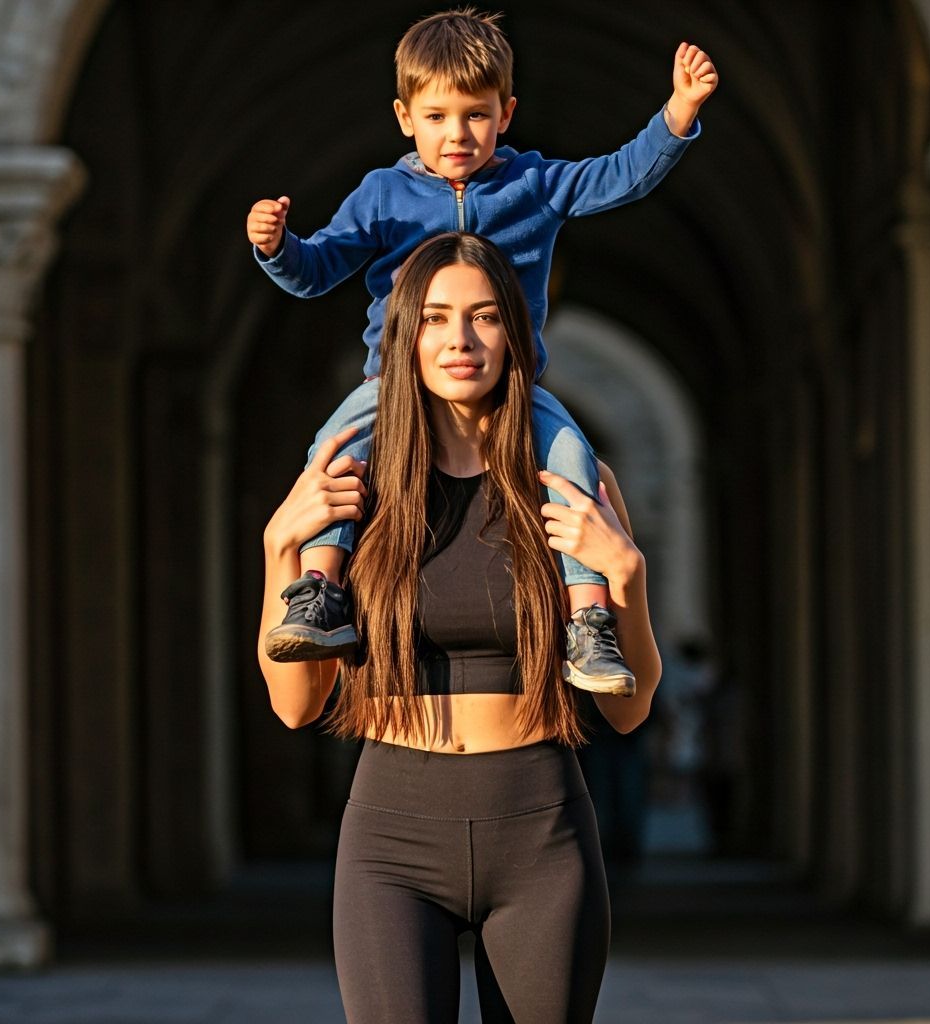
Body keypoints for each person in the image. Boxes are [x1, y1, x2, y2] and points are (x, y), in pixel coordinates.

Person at [247, 8, 716, 695]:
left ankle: (588, 625)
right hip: (394, 382)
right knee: (337, 447)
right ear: (405, 117)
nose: (456, 135)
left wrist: (676, 116)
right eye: (437, 117)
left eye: (475, 114)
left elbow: (618, 175)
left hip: (516, 385)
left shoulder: (532, 184)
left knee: (571, 461)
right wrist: (275, 248)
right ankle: (320, 590)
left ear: (507, 112)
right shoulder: (383, 197)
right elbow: (319, 269)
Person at [257, 233, 661, 1023]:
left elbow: (629, 707)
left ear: (517, 332)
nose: (460, 341)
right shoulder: (354, 486)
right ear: (404, 339)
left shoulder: (573, 482)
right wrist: (279, 548)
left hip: (541, 829)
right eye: (436, 319)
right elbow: (297, 706)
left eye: (483, 318)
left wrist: (628, 576)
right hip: (391, 839)